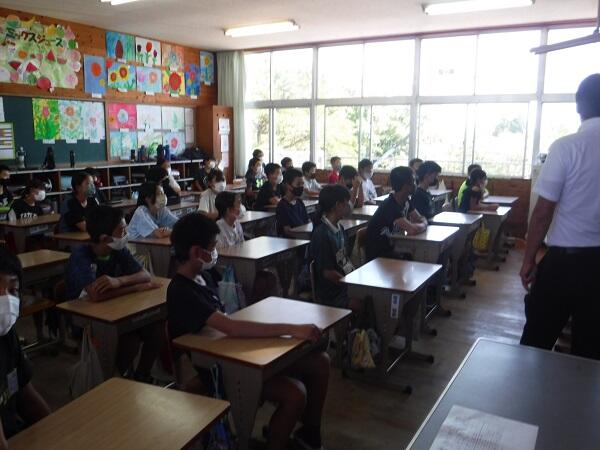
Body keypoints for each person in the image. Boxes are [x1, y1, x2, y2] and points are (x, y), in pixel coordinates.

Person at [167, 213, 329, 450]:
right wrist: (292, 329)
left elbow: (230, 319)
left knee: (320, 362)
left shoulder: (204, 276)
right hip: (218, 369)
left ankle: (309, 434)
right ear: (195, 252)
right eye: (212, 247)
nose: (215, 253)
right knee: (295, 393)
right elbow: (231, 326)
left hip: (233, 351)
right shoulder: (182, 291)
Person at [520, 74, 600, 360]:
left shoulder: (567, 147)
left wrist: (529, 259)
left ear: (578, 105)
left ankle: (528, 390)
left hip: (564, 265)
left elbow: (543, 213)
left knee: (536, 341)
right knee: (591, 352)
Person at [65, 206, 162, 381]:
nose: (126, 233)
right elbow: (95, 296)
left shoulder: (118, 249)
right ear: (105, 238)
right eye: (122, 230)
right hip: (89, 321)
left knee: (157, 329)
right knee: (130, 342)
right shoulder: (81, 256)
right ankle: (114, 382)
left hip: (119, 312)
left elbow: (145, 275)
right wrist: (134, 288)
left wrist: (119, 281)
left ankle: (141, 375)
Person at [0, 247, 51, 444]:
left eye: (12, 290)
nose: (6, 300)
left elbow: (23, 393)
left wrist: (56, 431)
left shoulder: (7, 335)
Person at [310, 185, 361, 312]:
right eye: (346, 203)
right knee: (364, 303)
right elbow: (328, 273)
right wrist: (351, 285)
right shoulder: (322, 234)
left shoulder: (339, 228)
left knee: (371, 296)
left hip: (342, 284)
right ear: (337, 205)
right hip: (331, 293)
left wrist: (356, 277)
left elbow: (344, 260)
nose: (349, 206)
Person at [365, 167, 427, 261]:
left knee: (419, 256)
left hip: (394, 248)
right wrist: (424, 224)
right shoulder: (390, 205)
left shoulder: (406, 200)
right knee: (419, 258)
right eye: (413, 181)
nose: (416, 184)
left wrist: (421, 223)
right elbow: (412, 230)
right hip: (379, 256)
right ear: (405, 185)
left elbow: (419, 218)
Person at [276, 168, 310, 237]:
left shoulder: (299, 202)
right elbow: (288, 232)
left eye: (302, 184)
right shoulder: (282, 205)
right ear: (288, 185)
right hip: (291, 241)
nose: (301, 187)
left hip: (303, 237)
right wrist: (306, 236)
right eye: (298, 184)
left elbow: (307, 222)